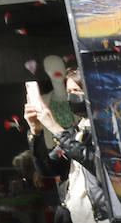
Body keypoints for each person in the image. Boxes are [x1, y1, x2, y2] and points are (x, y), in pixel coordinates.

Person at [25, 67, 110, 223]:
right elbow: (47, 168)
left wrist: (56, 129)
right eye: (69, 91)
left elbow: (98, 165)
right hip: (72, 214)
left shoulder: (108, 129)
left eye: (77, 90)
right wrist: (35, 133)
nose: (72, 96)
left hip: (101, 216)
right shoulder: (75, 131)